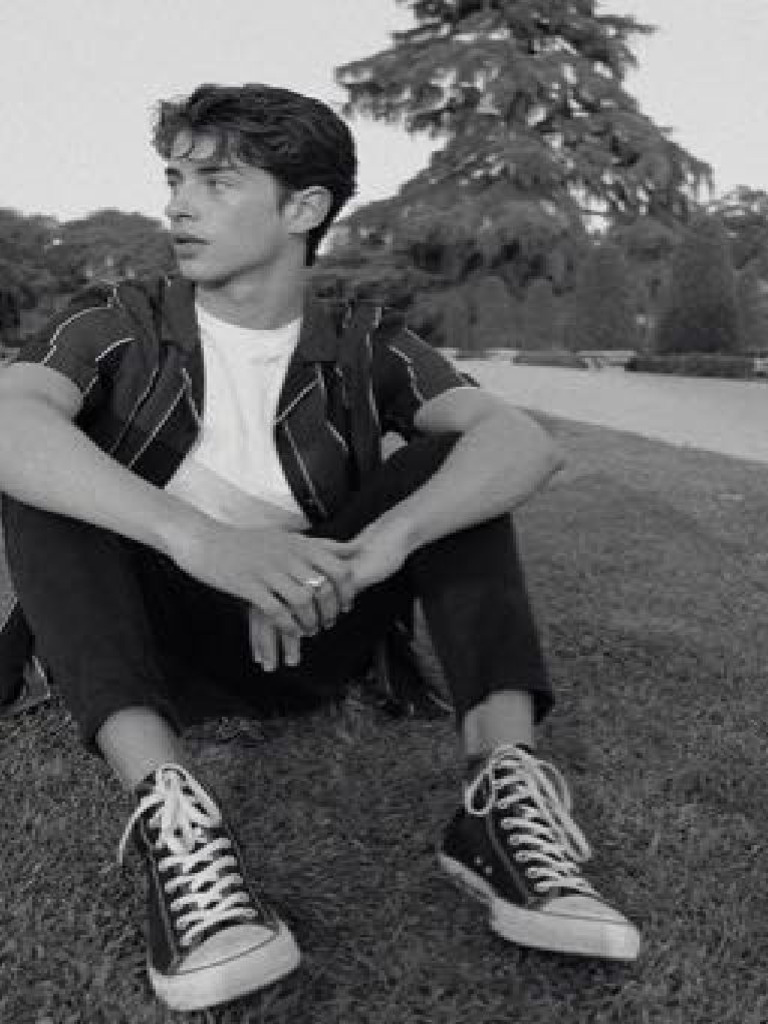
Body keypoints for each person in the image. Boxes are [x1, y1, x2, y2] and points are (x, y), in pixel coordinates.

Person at [0, 83, 640, 1013]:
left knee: (459, 463)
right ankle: (177, 821)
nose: (178, 206)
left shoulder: (366, 340)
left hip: (316, 619)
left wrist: (375, 549)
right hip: (149, 638)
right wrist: (204, 541)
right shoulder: (117, 319)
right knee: (44, 471)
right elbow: (11, 419)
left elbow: (523, 443)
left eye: (216, 182)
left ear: (303, 208)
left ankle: (500, 804)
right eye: (175, 179)